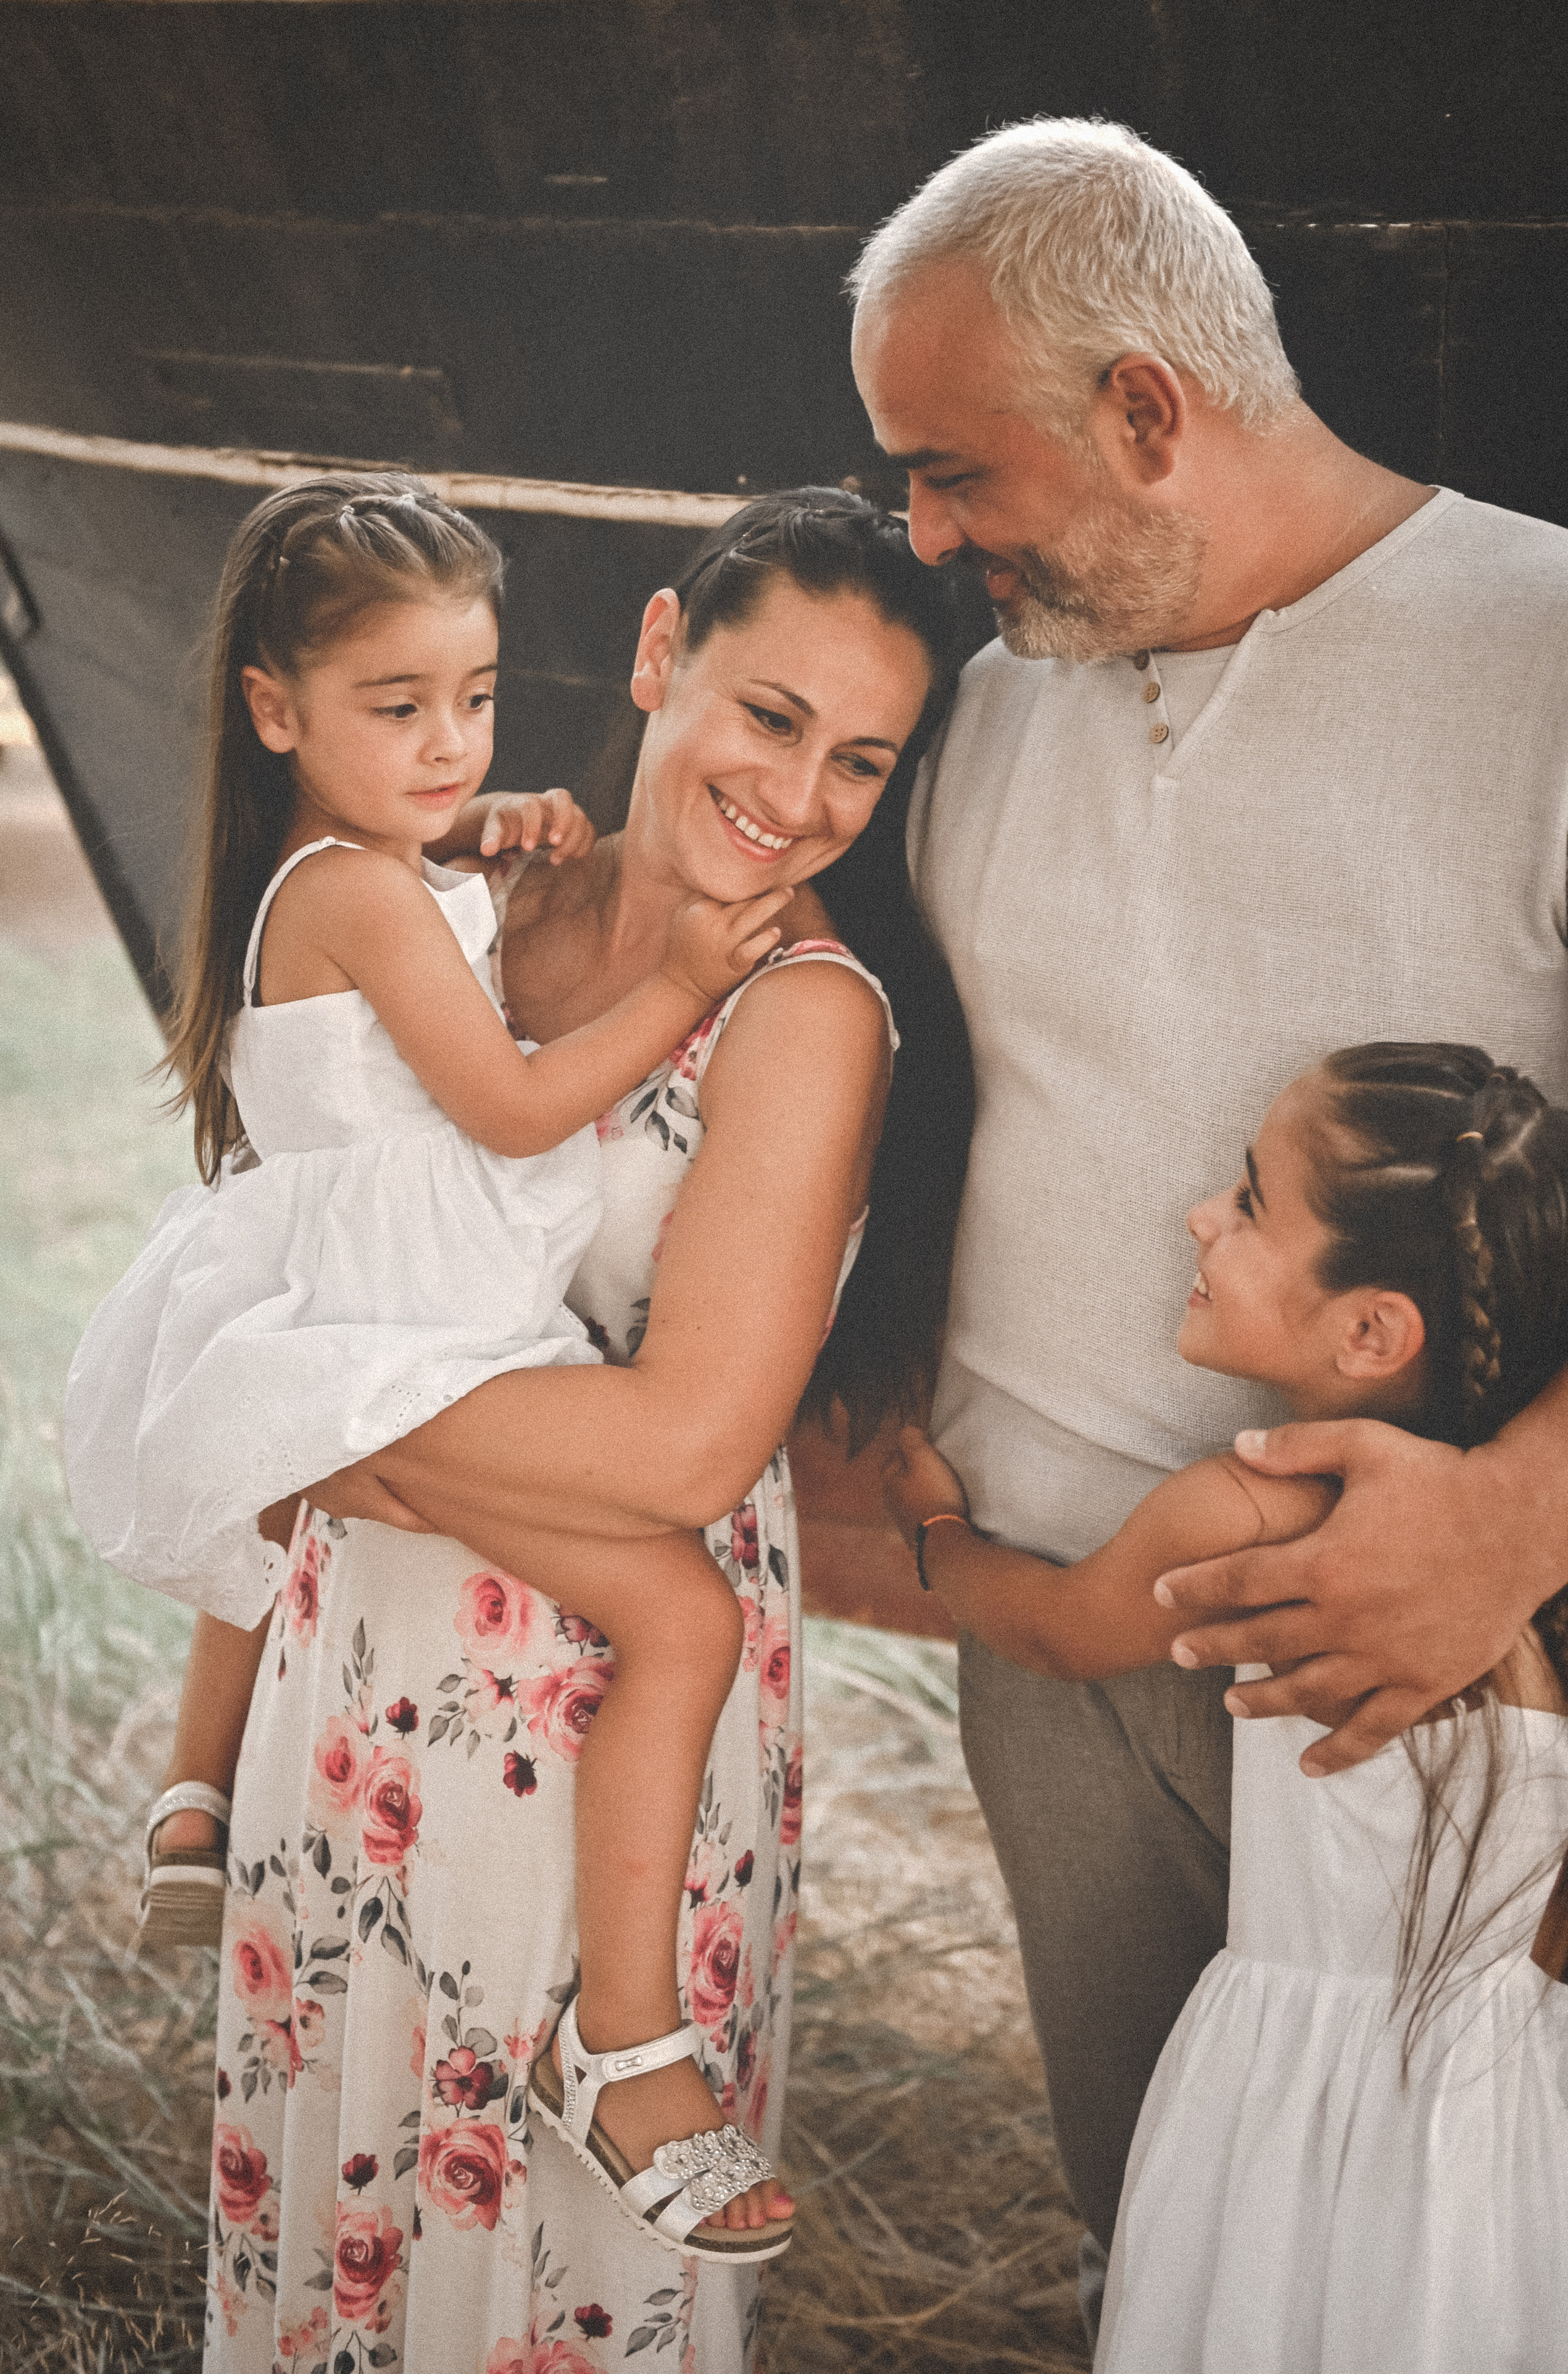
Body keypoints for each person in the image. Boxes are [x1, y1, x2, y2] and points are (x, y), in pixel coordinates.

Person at [847, 115, 1568, 2330]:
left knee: (1466, 2269)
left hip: (1446, 1679)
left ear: (1149, 413)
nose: (922, 529)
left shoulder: (1557, 653)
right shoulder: (976, 707)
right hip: (1067, 1681)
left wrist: (1520, 1520)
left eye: (957, 470)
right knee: (1174, 2247)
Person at [195, 488, 963, 2369]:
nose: (800, 794)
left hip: (601, 1707)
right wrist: (293, 1395)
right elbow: (300, 1191)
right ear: (651, 656)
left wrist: (324, 1425)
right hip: (363, 1666)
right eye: (769, 716)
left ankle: (622, 2062)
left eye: (861, 758)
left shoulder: (802, 1013)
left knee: (536, 2285)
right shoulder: (465, 895)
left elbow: (691, 1453)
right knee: (351, 2193)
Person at [63, 476, 809, 2260]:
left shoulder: (360, 871)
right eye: (398, 710)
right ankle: (622, 2045)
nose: (447, 742)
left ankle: (197, 1798)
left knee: (292, 1445)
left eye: (474, 699)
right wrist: (689, 978)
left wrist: (493, 837)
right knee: (689, 1618)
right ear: (276, 710)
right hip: (429, 1328)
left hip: (383, 1306)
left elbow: (433, 945)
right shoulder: (356, 892)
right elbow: (514, 1096)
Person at [884, 1041, 1568, 2372]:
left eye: (1249, 1200)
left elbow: (1057, 1628)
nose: (1199, 1214)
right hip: (1495, 2135)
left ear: (1368, 1329)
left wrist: (927, 1527)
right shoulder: (1530, 1587)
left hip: (1296, 2100)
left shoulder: (1255, 1506)